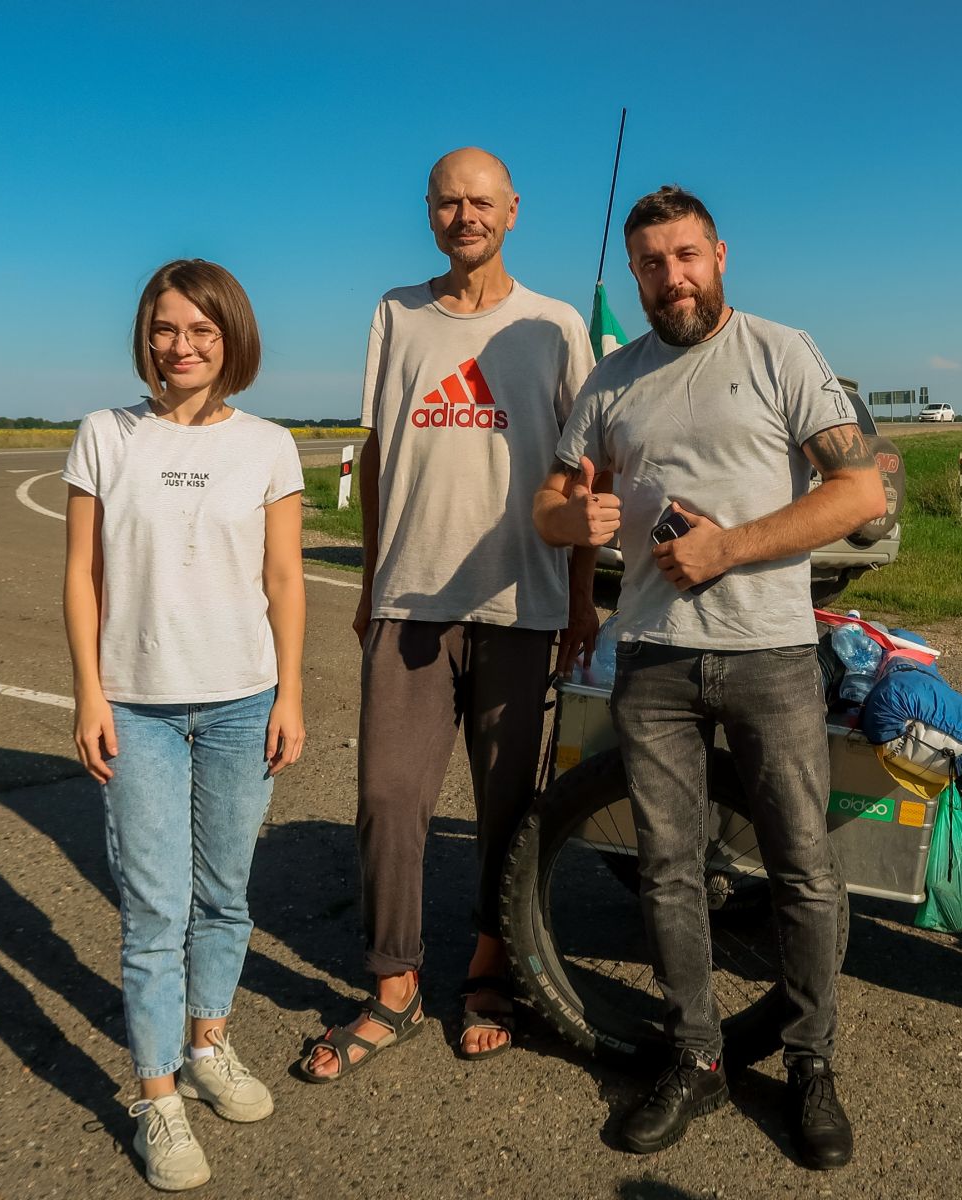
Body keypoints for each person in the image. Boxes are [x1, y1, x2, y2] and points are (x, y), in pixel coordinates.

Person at [535, 185, 885, 1170]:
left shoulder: (781, 351)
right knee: (668, 869)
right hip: (653, 658)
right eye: (651, 263)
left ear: (720, 254)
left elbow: (859, 491)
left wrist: (732, 547)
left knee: (803, 870)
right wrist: (576, 521)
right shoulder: (612, 380)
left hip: (770, 653)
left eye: (685, 256)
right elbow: (553, 507)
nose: (669, 277)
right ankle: (695, 1057)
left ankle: (811, 1060)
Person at [296, 147, 595, 1081]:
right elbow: (378, 451)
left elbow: (585, 472)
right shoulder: (396, 312)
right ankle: (393, 983)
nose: (465, 216)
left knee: (507, 804)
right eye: (447, 202)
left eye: (482, 202)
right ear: (428, 211)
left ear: (514, 210)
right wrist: (372, 584)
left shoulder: (555, 325)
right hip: (410, 603)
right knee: (390, 798)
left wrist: (583, 600)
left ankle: (490, 971)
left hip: (524, 600)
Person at [63, 259, 306, 1191]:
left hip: (244, 701)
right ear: (146, 336)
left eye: (202, 330)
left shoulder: (269, 445)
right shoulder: (104, 435)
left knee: (227, 895)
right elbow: (81, 575)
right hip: (139, 705)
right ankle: (158, 1098)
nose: (183, 345)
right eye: (167, 329)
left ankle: (211, 1043)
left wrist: (289, 693)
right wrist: (89, 693)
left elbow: (285, 580)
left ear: (230, 336)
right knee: (155, 909)